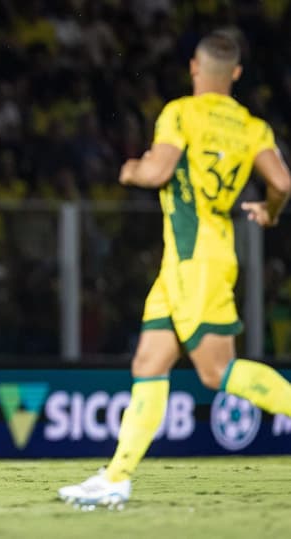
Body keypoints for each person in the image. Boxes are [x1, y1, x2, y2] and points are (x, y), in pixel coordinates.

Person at [59, 31, 291, 507]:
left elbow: (158, 171)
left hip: (194, 260)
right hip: (195, 257)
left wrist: (130, 169)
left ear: (194, 69)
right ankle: (117, 477)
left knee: (216, 371)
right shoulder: (252, 126)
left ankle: (118, 476)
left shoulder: (181, 112)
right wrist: (270, 209)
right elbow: (282, 180)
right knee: (149, 362)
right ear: (237, 74)